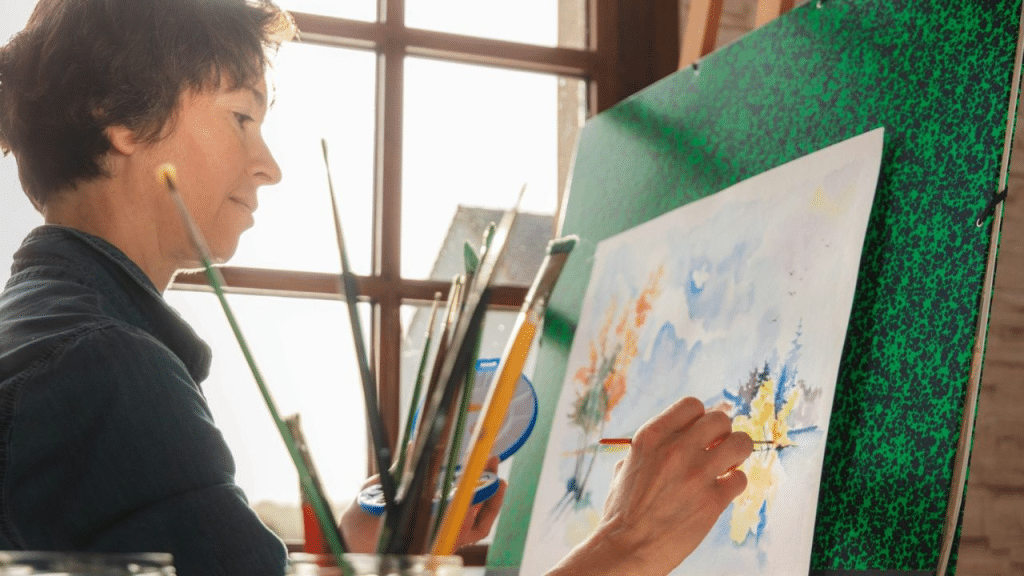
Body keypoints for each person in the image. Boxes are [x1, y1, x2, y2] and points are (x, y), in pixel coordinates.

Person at [0, 0, 753, 574]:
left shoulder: (54, 338)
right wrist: (628, 545)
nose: (268, 164)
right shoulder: (100, 370)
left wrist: (360, 544)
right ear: (116, 117)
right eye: (241, 117)